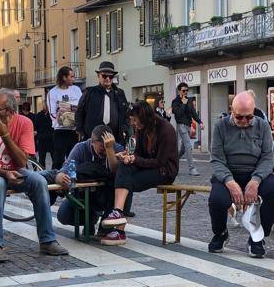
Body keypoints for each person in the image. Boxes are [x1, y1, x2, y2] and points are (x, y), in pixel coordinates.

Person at [0, 89, 69, 262]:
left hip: (16, 171)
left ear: (10, 111)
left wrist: (5, 135)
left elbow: (22, 162)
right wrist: (6, 173)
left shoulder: (24, 123)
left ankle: (47, 240)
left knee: (38, 180)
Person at [207, 92, 274, 258]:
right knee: (217, 199)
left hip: (255, 172)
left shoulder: (263, 126)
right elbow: (217, 160)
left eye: (249, 117)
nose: (244, 121)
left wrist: (255, 180)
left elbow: (267, 157)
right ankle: (220, 233)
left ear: (254, 112)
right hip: (229, 173)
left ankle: (257, 236)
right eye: (239, 117)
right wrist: (230, 181)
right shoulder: (220, 126)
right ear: (231, 112)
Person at [100, 101, 178, 244]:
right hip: (149, 166)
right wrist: (127, 156)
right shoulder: (142, 129)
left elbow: (159, 162)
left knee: (126, 180)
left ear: (144, 117)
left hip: (164, 172)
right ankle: (117, 213)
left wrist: (134, 159)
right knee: (124, 167)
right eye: (131, 121)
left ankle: (119, 229)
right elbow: (139, 153)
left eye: (134, 120)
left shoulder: (166, 130)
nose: (133, 124)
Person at [54, 125, 122, 240]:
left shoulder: (115, 148)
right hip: (85, 195)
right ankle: (90, 219)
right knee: (63, 215)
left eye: (107, 148)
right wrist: (60, 177)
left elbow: (117, 171)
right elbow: (64, 171)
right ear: (92, 142)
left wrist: (110, 150)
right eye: (101, 148)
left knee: (126, 189)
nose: (104, 152)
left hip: (109, 195)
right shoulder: (81, 148)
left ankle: (105, 227)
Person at [75, 61, 130, 146]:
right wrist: (81, 131)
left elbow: (126, 113)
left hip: (115, 136)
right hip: (92, 136)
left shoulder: (119, 93)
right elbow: (79, 112)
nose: (107, 78)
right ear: (98, 76)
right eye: (104, 76)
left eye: (110, 76)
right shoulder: (90, 92)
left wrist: (124, 129)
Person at [47, 66, 83, 169]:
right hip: (60, 131)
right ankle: (54, 180)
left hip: (74, 130)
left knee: (74, 159)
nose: (73, 79)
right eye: (71, 76)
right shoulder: (53, 92)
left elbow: (82, 107)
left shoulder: (76, 90)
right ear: (64, 77)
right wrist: (60, 115)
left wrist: (70, 108)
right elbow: (52, 114)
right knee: (58, 159)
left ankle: (73, 180)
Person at [171, 82, 202, 176]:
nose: (185, 92)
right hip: (181, 126)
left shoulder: (188, 100)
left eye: (187, 90)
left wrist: (200, 122)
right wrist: (183, 104)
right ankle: (191, 169)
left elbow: (193, 112)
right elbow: (177, 113)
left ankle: (172, 161)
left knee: (183, 149)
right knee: (188, 146)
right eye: (184, 90)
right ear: (179, 91)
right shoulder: (175, 101)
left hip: (188, 126)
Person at [32, 102, 55, 168]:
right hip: (42, 139)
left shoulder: (52, 115)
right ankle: (42, 171)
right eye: (45, 105)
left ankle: (53, 171)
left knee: (54, 157)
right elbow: (35, 127)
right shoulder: (38, 115)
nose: (46, 107)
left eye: (47, 105)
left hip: (52, 139)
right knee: (42, 158)